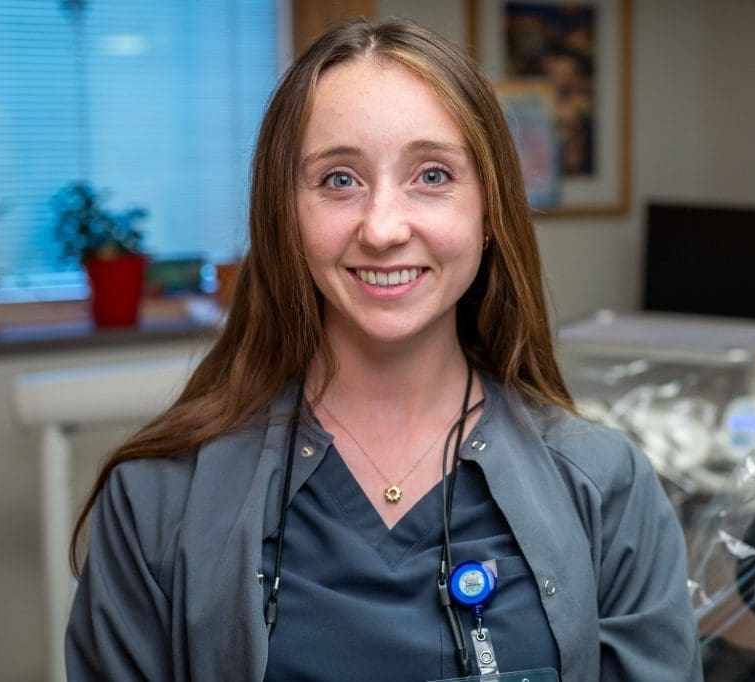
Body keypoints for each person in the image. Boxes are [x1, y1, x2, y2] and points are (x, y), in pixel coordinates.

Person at [65, 17, 702, 681]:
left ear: (490, 212)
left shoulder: (607, 493)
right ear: (286, 216)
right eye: (339, 180)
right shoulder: (157, 502)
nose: (384, 228)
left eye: (432, 175)